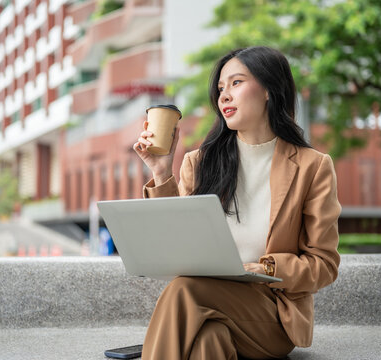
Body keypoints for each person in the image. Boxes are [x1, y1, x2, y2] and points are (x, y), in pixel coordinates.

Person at [133, 46, 341, 359]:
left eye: (236, 83)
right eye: (220, 88)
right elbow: (177, 245)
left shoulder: (313, 166)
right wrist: (161, 171)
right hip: (210, 302)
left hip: (271, 314)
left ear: (270, 89)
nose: (224, 96)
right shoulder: (199, 162)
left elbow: (324, 264)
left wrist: (266, 266)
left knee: (185, 290)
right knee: (209, 341)